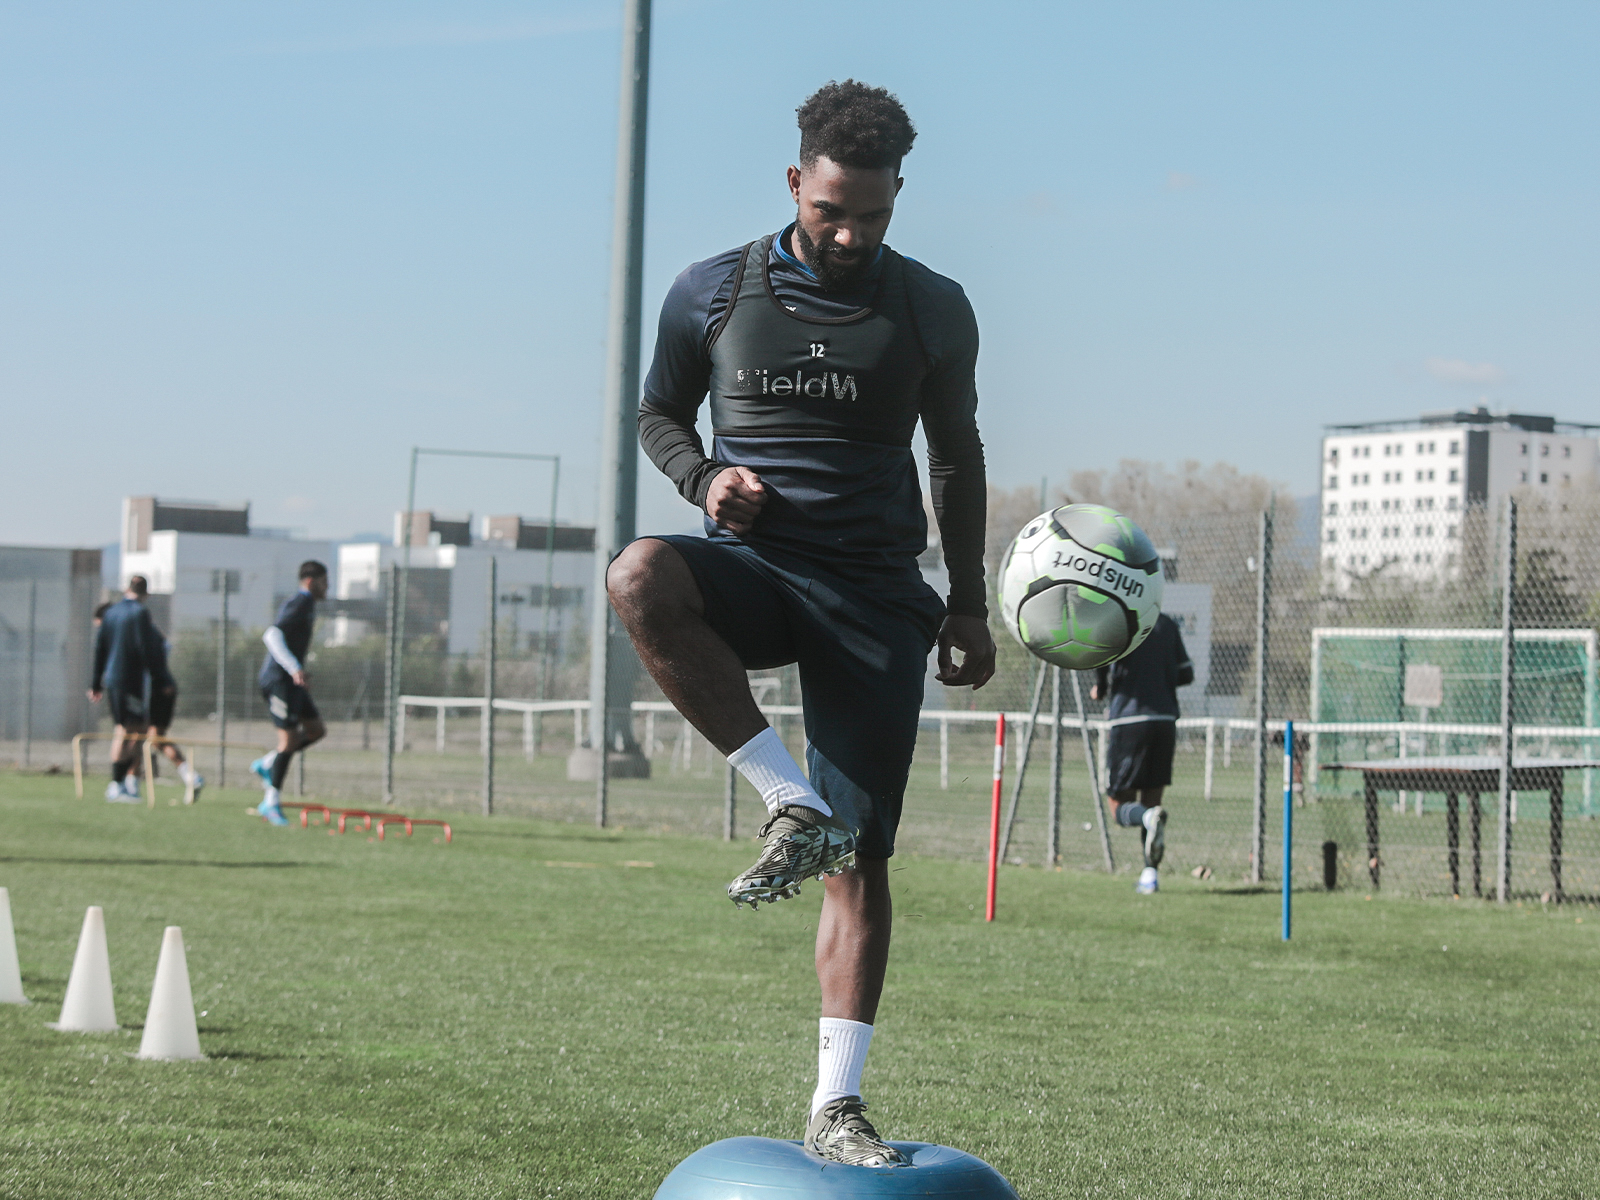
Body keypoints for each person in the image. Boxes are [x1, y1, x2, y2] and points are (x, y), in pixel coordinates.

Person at [606, 81, 993, 1166]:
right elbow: (655, 413)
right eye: (831, 211)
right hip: (757, 573)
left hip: (876, 597)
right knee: (638, 575)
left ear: (896, 197)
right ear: (794, 183)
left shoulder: (930, 306)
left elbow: (956, 457)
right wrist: (703, 479)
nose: (850, 233)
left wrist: (964, 601)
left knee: (859, 864)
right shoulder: (712, 291)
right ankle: (787, 798)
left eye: (872, 215)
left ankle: (837, 1104)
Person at [1090, 612, 1194, 894]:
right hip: (1165, 721)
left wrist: (1102, 686)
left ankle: (1146, 819)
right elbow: (1186, 673)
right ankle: (1150, 875)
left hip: (1129, 720)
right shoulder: (1168, 624)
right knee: (1153, 800)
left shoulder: (1115, 620)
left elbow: (1099, 664)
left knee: (1117, 806)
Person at [250, 561, 329, 825]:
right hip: (279, 681)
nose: (326, 587)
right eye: (323, 582)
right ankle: (270, 803)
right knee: (288, 741)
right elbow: (272, 635)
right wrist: (295, 668)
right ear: (310, 581)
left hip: (293, 682)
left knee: (316, 729)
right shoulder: (301, 601)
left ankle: (269, 762)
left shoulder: (308, 604)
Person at [88, 577, 167, 803]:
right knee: (129, 731)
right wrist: (159, 677)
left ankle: (125, 783)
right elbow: (145, 647)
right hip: (129, 681)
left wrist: (96, 683)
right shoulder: (140, 613)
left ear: (126, 589)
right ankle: (117, 785)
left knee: (130, 729)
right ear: (146, 594)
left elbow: (99, 648)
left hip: (112, 680)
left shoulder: (111, 612)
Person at [131, 620, 205, 802]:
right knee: (155, 738)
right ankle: (190, 776)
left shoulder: (143, 638)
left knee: (143, 735)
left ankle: (130, 784)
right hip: (163, 688)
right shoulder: (152, 638)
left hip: (157, 690)